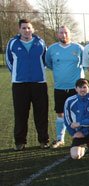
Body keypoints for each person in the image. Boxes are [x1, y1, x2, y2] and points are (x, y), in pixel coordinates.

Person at [6, 19, 50, 151]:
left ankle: (44, 140)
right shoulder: (13, 43)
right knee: (20, 114)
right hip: (20, 84)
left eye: (29, 28)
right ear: (19, 29)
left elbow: (45, 60)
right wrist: (19, 73)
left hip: (39, 84)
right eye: (24, 28)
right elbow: (9, 61)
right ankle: (20, 142)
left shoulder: (40, 43)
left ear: (33, 29)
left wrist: (38, 73)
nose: (26, 30)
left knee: (41, 114)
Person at [45, 25, 84, 149]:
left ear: (70, 34)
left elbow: (84, 63)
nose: (64, 35)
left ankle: (80, 138)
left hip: (76, 88)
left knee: (78, 114)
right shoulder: (51, 49)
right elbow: (49, 64)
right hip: (60, 87)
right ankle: (59, 138)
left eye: (66, 33)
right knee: (60, 114)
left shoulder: (78, 48)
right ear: (57, 34)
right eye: (61, 33)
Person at [64, 78, 89, 160]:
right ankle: (87, 144)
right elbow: (67, 120)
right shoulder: (69, 101)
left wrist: (80, 123)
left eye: (85, 87)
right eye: (80, 87)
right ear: (76, 89)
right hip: (80, 131)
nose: (82, 89)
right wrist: (73, 133)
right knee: (75, 156)